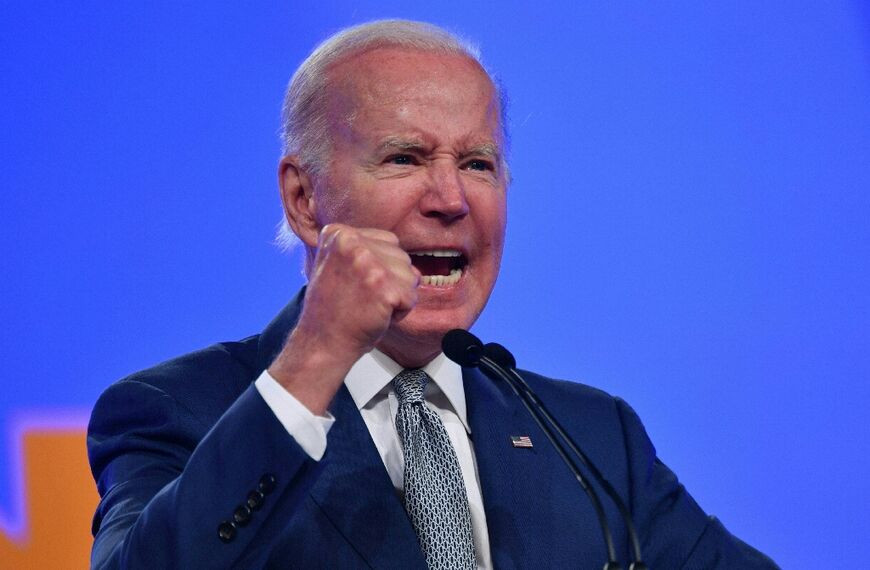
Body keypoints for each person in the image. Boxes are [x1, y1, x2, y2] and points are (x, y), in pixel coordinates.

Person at [87, 19, 778, 569]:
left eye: (478, 163)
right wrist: (318, 355)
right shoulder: (174, 412)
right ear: (303, 199)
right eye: (404, 158)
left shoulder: (594, 440)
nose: (450, 199)